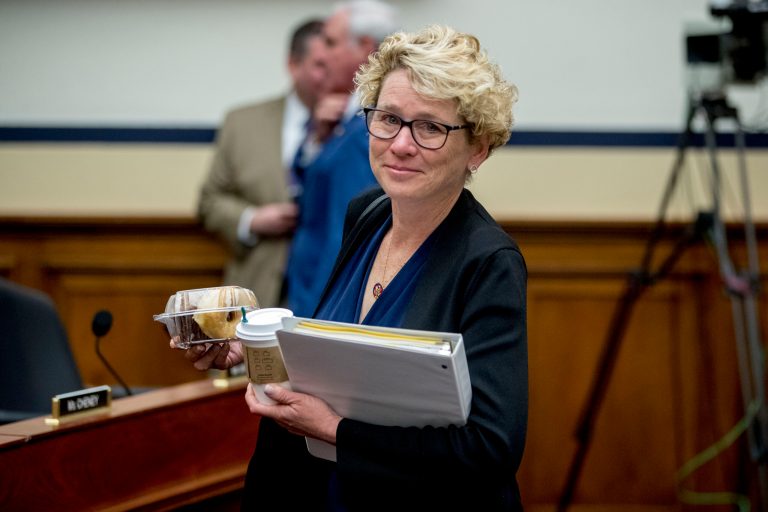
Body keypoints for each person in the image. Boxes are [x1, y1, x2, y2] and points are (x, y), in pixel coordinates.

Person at [183, 24, 527, 511]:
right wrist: (254, 348)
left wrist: (334, 431)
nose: (401, 144)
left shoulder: (489, 261)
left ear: (478, 147)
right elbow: (343, 363)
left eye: (430, 126)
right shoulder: (365, 214)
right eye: (388, 118)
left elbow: (490, 448)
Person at [197, 19, 326, 308]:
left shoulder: (362, 129)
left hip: (329, 295)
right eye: (320, 65)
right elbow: (209, 200)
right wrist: (251, 220)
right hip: (257, 289)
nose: (330, 75)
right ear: (294, 64)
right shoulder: (242, 124)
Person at [284, 0, 398, 317]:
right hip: (308, 289)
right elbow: (307, 185)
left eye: (331, 43)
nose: (321, 53)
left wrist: (323, 313)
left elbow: (348, 233)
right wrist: (318, 136)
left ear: (364, 47)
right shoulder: (343, 117)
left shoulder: (371, 127)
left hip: (326, 302)